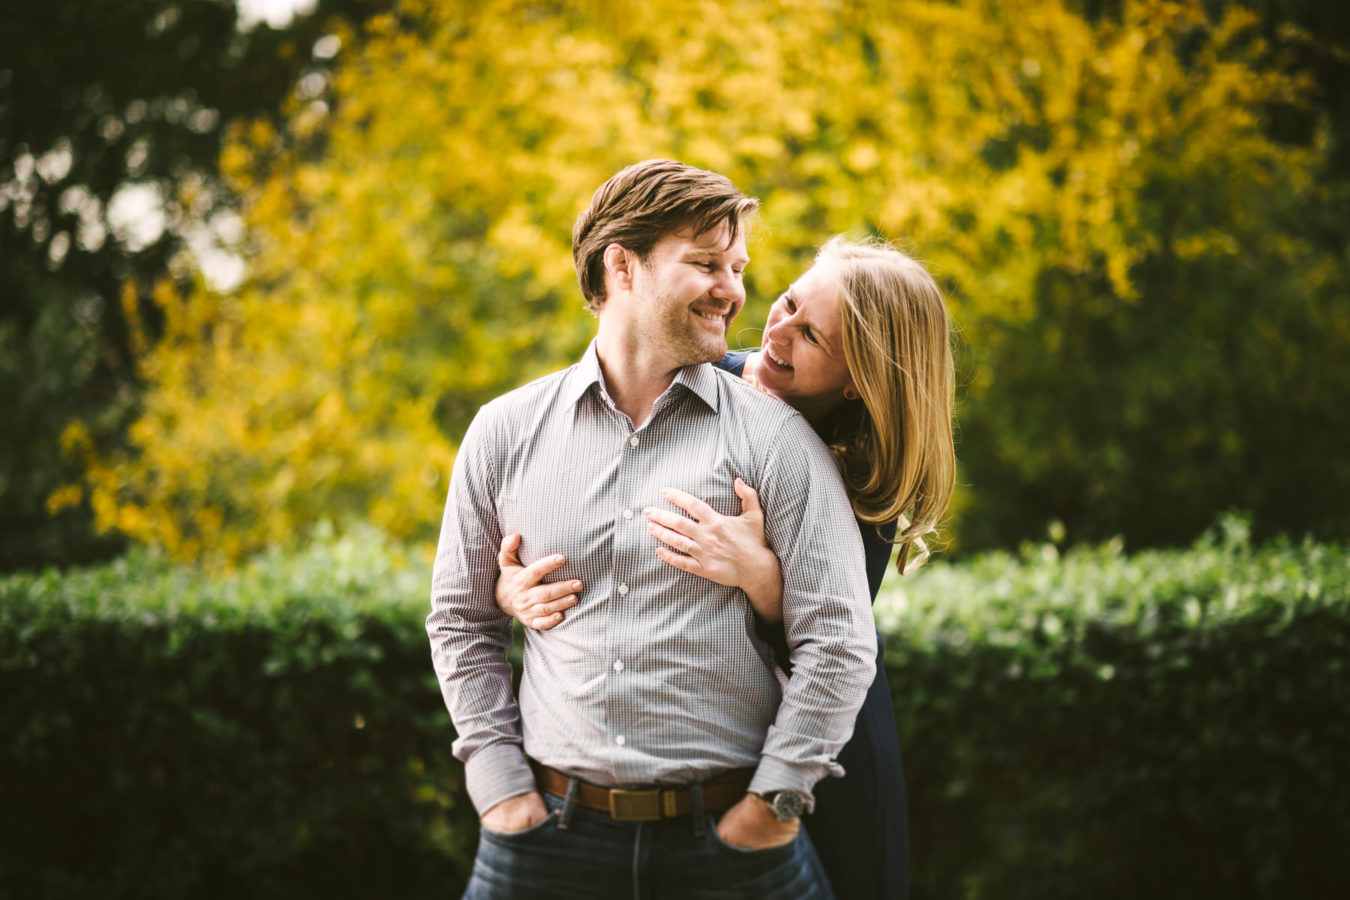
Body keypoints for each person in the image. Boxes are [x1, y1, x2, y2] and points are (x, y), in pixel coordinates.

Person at [427, 159, 878, 899]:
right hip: (545, 845)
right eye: (706, 264)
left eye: (737, 267)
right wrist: (500, 791)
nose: (734, 291)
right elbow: (459, 621)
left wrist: (775, 805)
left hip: (736, 849)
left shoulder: (777, 441)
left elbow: (839, 640)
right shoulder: (503, 433)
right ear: (622, 266)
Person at [496, 236, 957, 898]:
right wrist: (510, 584)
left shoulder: (867, 474)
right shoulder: (693, 381)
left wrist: (763, 578)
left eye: (813, 337)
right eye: (789, 302)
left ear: (860, 379)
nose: (779, 332)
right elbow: (596, 512)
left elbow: (830, 633)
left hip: (819, 752)